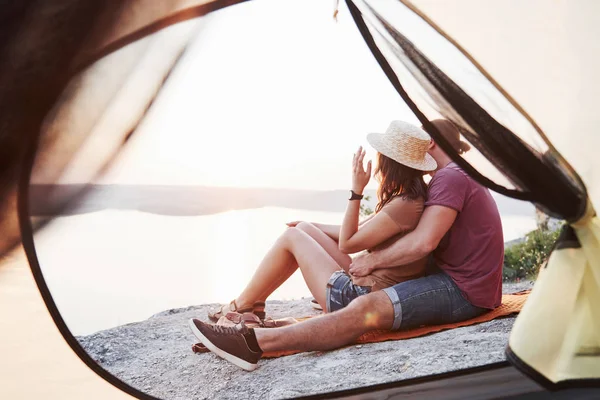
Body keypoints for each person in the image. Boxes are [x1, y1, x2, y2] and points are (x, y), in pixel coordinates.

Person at [189, 119, 505, 372]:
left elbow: (423, 242)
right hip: (468, 285)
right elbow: (379, 235)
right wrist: (313, 228)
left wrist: (372, 259)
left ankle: (251, 338)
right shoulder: (442, 181)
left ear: (430, 143)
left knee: (363, 308)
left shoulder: (449, 178)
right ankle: (249, 314)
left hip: (462, 290)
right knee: (304, 237)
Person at [205, 120, 436, 325]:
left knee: (291, 238)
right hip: (367, 287)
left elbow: (348, 243)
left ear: (388, 161)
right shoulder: (406, 197)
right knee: (301, 230)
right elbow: (358, 231)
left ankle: (242, 304)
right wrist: (309, 225)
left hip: (356, 299)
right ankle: (256, 303)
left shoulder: (404, 205)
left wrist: (356, 191)